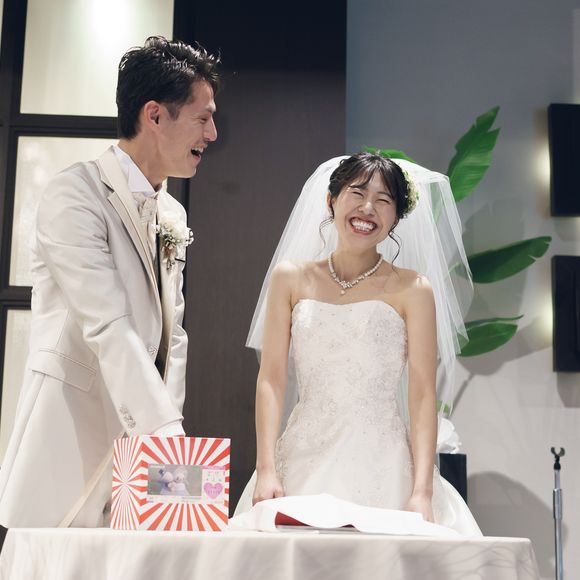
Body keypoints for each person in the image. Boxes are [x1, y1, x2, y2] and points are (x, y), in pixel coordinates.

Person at [0, 36, 219, 528]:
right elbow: (107, 324)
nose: (213, 133)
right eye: (202, 118)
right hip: (70, 438)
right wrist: (166, 435)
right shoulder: (73, 195)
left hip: (141, 456)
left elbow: (172, 339)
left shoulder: (171, 212)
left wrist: (163, 457)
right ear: (154, 115)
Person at [235, 153, 481, 535]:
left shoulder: (414, 289)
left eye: (384, 200)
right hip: (301, 459)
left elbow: (421, 394)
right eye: (358, 193)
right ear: (331, 200)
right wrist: (266, 468)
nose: (368, 208)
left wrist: (422, 491)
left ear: (395, 219)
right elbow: (271, 379)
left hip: (385, 465)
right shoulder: (290, 278)